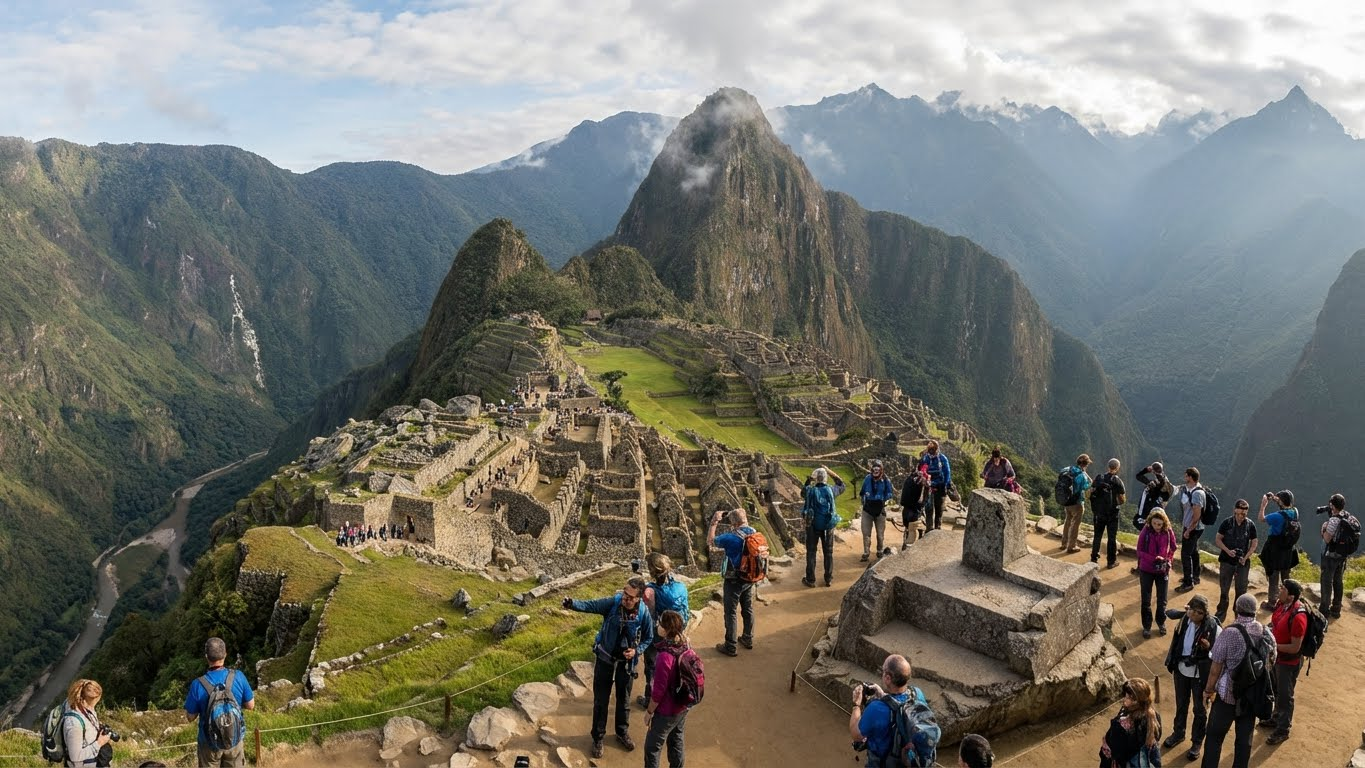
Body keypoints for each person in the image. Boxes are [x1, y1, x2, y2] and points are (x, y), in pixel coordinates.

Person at [563, 577, 654, 758]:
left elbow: (648, 637)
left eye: (629, 596)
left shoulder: (644, 613)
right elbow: (590, 606)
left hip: (627, 665)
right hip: (605, 660)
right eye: (624, 593)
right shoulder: (612, 604)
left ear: (639, 599)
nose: (624, 598)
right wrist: (572, 604)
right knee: (601, 702)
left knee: (624, 700)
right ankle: (597, 737)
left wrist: (636, 651)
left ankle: (621, 732)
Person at [1201, 595, 1273, 768]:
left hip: (1227, 697)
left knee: (1214, 738)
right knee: (1243, 743)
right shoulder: (1266, 632)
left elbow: (1215, 668)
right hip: (1250, 696)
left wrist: (1208, 690)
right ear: (1254, 611)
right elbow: (1271, 661)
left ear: (1236, 609)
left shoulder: (1229, 633)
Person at [1163, 595, 1220, 761]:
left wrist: (1209, 648)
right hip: (1181, 670)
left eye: (1201, 613)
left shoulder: (1213, 627)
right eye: (1195, 612)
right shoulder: (1184, 619)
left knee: (1199, 710)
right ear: (1189, 610)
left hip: (1199, 675)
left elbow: (1218, 654)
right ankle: (1178, 733)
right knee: (1181, 704)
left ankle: (1196, 742)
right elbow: (1169, 613)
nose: (1198, 616)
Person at [184, 637, 255, 768]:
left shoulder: (198, 684)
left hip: (208, 742)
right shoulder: (238, 676)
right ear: (225, 654)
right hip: (234, 738)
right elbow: (251, 705)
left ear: (206, 657)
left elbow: (190, 717)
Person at [849, 654, 930, 767]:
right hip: (908, 760)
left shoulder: (876, 709)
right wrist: (884, 696)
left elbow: (856, 734)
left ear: (887, 678)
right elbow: (900, 707)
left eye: (883, 671)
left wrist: (856, 705)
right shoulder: (917, 694)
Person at [638, 553, 689, 709]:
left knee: (652, 665)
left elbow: (647, 614)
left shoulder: (650, 591)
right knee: (673, 664)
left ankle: (650, 698)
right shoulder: (681, 587)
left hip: (658, 634)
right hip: (678, 633)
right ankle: (673, 694)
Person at [643, 610, 691, 768]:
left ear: (665, 629)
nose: (657, 624)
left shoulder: (665, 657)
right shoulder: (685, 644)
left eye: (660, 623)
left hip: (667, 710)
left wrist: (649, 712)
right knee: (676, 739)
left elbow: (658, 693)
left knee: (652, 748)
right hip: (683, 704)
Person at [709, 508, 757, 655]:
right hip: (750, 577)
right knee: (747, 608)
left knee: (730, 612)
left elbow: (710, 542)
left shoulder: (731, 538)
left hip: (734, 579)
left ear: (734, 523)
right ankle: (748, 638)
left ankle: (730, 645)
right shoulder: (754, 533)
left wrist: (714, 522)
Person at [1265, 579, 1307, 745]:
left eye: (1282, 589)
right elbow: (1274, 623)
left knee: (1285, 696)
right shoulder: (1281, 605)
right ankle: (1275, 719)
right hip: (1278, 658)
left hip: (1288, 663)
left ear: (1291, 596)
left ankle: (1283, 730)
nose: (1279, 590)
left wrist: (1273, 645)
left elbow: (1295, 648)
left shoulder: (1299, 617)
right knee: (1276, 690)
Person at [1099, 678, 1161, 768]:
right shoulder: (1153, 715)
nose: (1124, 699)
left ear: (1136, 702)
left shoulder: (1121, 726)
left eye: (1128, 697)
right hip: (1146, 760)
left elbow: (1118, 754)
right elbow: (1158, 736)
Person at [1212, 500, 1258, 623]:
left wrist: (1247, 556)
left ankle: (1239, 617)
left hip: (1242, 562)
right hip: (1227, 560)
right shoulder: (1227, 523)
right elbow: (1218, 539)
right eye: (1239, 512)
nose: (1241, 515)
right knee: (1224, 589)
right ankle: (1221, 614)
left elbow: (1254, 543)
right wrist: (1228, 551)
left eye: (1244, 513)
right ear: (1235, 510)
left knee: (1241, 591)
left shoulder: (1250, 525)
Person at [801, 467, 846, 588]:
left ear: (815, 478)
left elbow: (803, 492)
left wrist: (809, 480)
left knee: (811, 552)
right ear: (825, 478)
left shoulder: (810, 490)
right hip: (828, 525)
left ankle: (810, 579)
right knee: (828, 552)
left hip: (813, 524)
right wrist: (831, 473)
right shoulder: (831, 490)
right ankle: (828, 579)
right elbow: (842, 486)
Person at [1136, 510, 1177, 639]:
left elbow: (1173, 547)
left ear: (1164, 522)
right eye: (1154, 523)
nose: (1157, 526)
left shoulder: (1168, 532)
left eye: (1159, 524)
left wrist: (1168, 559)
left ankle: (1161, 622)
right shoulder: (1146, 531)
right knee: (1146, 599)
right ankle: (1147, 626)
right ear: (1150, 521)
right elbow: (1139, 550)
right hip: (1146, 569)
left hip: (1162, 569)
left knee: (1162, 599)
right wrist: (1153, 558)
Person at [1257, 490, 1300, 609]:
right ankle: (1289, 601)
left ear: (1281, 502)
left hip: (1275, 550)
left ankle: (1272, 603)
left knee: (1273, 577)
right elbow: (1284, 504)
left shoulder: (1277, 516)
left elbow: (1261, 518)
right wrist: (1274, 498)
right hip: (1288, 550)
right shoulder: (1295, 512)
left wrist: (1263, 505)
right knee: (1286, 577)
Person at [62, 679, 113, 767]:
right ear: (86, 700)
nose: (95, 705)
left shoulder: (81, 706)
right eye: (95, 702)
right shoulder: (74, 724)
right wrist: (99, 743)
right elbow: (75, 756)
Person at [1319, 493, 1355, 619]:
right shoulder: (1346, 516)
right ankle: (1336, 609)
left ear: (1332, 505)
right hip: (1342, 555)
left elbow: (1327, 539)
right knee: (1338, 581)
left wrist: (1323, 529)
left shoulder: (1334, 520)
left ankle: (1324, 610)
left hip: (1331, 556)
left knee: (1326, 582)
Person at [1173, 467, 1207, 594]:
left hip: (1193, 527)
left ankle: (1188, 583)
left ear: (1190, 477)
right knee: (1193, 551)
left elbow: (1197, 515)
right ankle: (1195, 577)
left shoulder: (1197, 494)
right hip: (1193, 526)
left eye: (1186, 475)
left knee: (1185, 554)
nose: (1184, 477)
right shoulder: (1191, 489)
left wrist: (1188, 530)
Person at [1089, 458, 1126, 569]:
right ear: (1117, 468)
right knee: (1111, 538)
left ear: (1108, 466)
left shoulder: (1099, 478)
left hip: (1099, 513)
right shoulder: (1118, 481)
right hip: (1112, 514)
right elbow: (1122, 499)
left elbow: (1091, 491)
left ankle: (1093, 559)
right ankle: (1111, 562)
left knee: (1097, 536)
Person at [859, 459, 896, 561]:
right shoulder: (867, 479)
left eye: (878, 469)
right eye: (874, 469)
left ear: (881, 470)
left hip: (880, 509)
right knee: (866, 533)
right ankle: (866, 552)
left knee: (880, 534)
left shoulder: (886, 480)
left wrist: (883, 498)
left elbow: (890, 493)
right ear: (872, 470)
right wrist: (864, 500)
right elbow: (862, 492)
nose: (876, 471)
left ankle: (879, 550)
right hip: (867, 510)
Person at [1060, 454, 1093, 554]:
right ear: (1086, 465)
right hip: (1077, 503)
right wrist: (1091, 482)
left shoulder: (1068, 469)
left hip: (1066, 500)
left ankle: (1064, 543)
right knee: (1075, 525)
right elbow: (1085, 487)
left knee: (1067, 521)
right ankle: (1072, 546)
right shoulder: (1082, 475)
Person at [920, 441, 952, 531]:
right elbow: (923, 470)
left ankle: (937, 528)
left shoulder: (942, 459)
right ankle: (929, 528)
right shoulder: (926, 458)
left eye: (933, 449)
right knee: (928, 509)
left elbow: (947, 473)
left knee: (939, 509)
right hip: (929, 486)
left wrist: (945, 485)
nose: (931, 451)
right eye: (930, 449)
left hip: (940, 487)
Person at [1134, 462, 1174, 531]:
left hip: (1150, 504)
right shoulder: (1163, 480)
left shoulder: (1155, 483)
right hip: (1155, 503)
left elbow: (1138, 476)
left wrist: (1146, 470)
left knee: (1139, 521)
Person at [899, 464, 930, 549]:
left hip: (911, 509)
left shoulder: (911, 480)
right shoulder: (914, 481)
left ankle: (907, 547)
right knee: (910, 529)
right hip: (911, 509)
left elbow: (925, 497)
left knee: (910, 528)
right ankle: (908, 547)